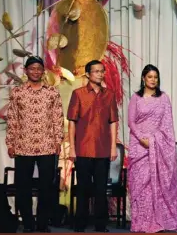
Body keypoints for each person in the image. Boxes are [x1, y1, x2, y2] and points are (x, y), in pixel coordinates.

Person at [6, 56, 64, 232]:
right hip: (23, 146)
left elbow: (57, 118)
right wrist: (10, 143)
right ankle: (28, 224)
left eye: (39, 68)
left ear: (43, 71)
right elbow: (12, 119)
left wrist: (58, 141)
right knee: (23, 188)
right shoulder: (17, 92)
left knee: (46, 188)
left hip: (47, 145)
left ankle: (42, 223)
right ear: (25, 71)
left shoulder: (52, 92)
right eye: (32, 68)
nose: (36, 71)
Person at [127, 64, 177, 233]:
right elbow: (131, 122)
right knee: (141, 186)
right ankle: (142, 222)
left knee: (157, 185)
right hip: (139, 145)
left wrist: (152, 139)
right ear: (143, 78)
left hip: (158, 146)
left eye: (155, 77)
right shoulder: (136, 97)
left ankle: (161, 221)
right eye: (150, 77)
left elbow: (167, 125)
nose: (153, 80)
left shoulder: (163, 98)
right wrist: (142, 139)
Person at [67, 60, 119, 232]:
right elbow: (72, 122)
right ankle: (80, 224)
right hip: (82, 148)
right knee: (82, 189)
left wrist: (113, 147)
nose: (100, 74)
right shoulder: (78, 94)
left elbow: (113, 122)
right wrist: (72, 148)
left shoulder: (109, 95)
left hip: (103, 149)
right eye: (96, 71)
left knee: (100, 190)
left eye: (102, 71)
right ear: (88, 74)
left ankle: (100, 225)